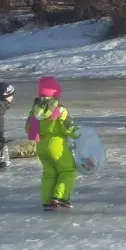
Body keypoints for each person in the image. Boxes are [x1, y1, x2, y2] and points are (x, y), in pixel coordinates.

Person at [25, 76, 81, 211]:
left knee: (49, 173)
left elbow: (28, 128)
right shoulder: (59, 109)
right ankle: (61, 197)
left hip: (41, 145)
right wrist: (79, 135)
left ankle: (47, 202)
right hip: (57, 145)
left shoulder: (34, 110)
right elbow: (68, 128)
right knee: (68, 170)